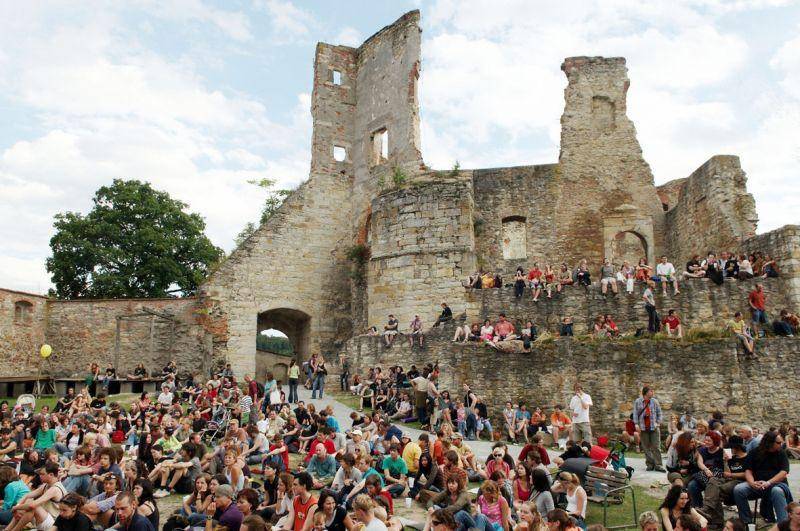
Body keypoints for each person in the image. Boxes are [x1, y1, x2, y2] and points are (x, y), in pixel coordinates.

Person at [733, 430, 792, 525]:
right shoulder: (754, 452)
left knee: (777, 491)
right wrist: (752, 483)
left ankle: (783, 525)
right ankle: (747, 522)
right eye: (778, 443)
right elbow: (748, 470)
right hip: (757, 484)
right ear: (770, 443)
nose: (781, 444)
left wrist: (768, 482)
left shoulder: (781, 453)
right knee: (739, 489)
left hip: (776, 484)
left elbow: (784, 472)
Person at [5, 462, 66, 531]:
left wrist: (15, 508)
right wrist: (17, 506)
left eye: (42, 474)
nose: (40, 476)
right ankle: (7, 529)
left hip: (55, 524)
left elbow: (32, 505)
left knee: (34, 507)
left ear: (51, 475)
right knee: (27, 503)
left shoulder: (55, 489)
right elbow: (27, 495)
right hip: (45, 518)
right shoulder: (46, 485)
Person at [633, 386, 665, 472]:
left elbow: (659, 413)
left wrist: (658, 423)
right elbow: (635, 413)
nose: (652, 392)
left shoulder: (655, 401)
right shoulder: (638, 401)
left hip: (654, 428)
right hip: (643, 428)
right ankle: (650, 464)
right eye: (651, 391)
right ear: (646, 393)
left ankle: (658, 465)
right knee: (646, 447)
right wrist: (636, 424)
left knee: (656, 447)